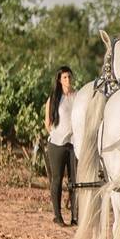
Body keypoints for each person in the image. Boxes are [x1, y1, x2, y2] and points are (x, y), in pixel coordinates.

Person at [44, 66, 77, 226]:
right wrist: (56, 134)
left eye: (69, 77)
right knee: (57, 179)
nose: (68, 80)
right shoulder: (54, 99)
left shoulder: (77, 97)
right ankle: (57, 216)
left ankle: (75, 216)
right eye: (64, 77)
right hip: (57, 144)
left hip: (74, 144)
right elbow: (47, 123)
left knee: (75, 181)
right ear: (59, 80)